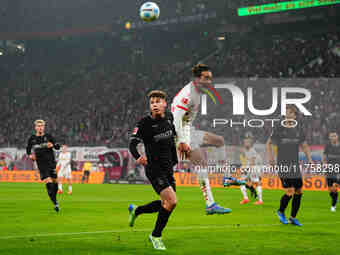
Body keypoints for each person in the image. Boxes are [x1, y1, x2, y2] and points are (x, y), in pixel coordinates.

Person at [171, 63, 231, 215]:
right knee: (201, 164)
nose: (209, 81)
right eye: (206, 78)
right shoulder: (188, 95)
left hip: (189, 130)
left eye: (210, 78)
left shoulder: (198, 91)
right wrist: (182, 141)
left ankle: (226, 177)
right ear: (197, 79)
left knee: (220, 141)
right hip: (181, 132)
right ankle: (210, 204)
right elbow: (175, 119)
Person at [128, 90, 178, 250]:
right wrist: (138, 156)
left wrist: (175, 159)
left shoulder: (170, 117)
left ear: (165, 104)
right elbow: (132, 143)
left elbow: (173, 138)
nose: (155, 105)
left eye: (158, 101)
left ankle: (137, 210)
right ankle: (155, 236)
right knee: (172, 201)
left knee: (167, 203)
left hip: (168, 167)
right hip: (154, 169)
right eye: (152, 102)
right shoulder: (144, 123)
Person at [266, 105, 313, 226]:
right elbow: (269, 143)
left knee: (299, 191)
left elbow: (304, 145)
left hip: (295, 164)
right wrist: (271, 158)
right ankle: (280, 212)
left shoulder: (299, 129)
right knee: (290, 191)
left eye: (291, 112)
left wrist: (310, 160)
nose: (288, 114)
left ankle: (293, 217)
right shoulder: (279, 127)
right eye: (287, 112)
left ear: (295, 116)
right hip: (283, 163)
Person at [26, 119, 61, 212]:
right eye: (38, 126)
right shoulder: (32, 138)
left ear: (44, 127)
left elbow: (57, 146)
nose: (40, 128)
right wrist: (30, 155)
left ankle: (54, 198)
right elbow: (28, 149)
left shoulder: (48, 136)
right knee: (49, 182)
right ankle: (55, 203)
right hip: (41, 164)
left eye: (42, 126)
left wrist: (53, 145)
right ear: (35, 127)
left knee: (55, 183)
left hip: (51, 163)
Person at [239, 133, 263, 205]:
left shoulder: (252, 150)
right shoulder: (247, 151)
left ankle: (260, 200)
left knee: (257, 183)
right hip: (251, 168)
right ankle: (246, 199)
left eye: (247, 143)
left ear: (250, 144)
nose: (245, 144)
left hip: (254, 169)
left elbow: (252, 162)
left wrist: (247, 171)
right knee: (242, 182)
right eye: (245, 142)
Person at [322, 130, 340, 212]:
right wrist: (324, 165)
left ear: (337, 137)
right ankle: (335, 199)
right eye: (331, 136)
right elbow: (324, 156)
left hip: (338, 169)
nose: (333, 137)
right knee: (330, 190)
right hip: (329, 169)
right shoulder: (327, 146)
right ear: (329, 138)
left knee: (335, 187)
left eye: (334, 136)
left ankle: (333, 206)